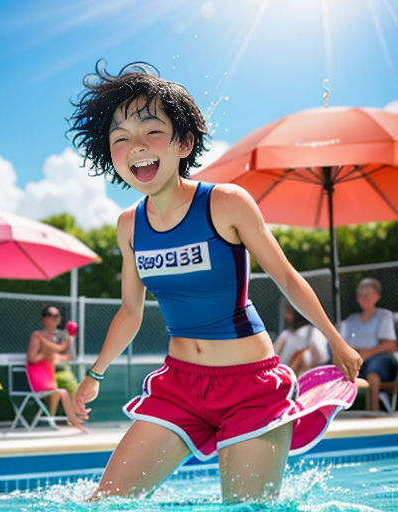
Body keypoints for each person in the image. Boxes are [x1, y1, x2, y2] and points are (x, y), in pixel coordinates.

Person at [68, 60, 363, 503]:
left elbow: (284, 276)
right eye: (121, 138)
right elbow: (131, 312)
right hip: (179, 386)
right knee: (103, 503)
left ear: (184, 141)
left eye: (152, 131)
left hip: (251, 388)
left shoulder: (224, 203)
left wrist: (335, 340)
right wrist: (94, 375)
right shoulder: (129, 226)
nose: (137, 147)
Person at [26, 305, 86, 433]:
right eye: (49, 315)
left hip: (50, 374)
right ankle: (75, 420)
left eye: (56, 316)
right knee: (63, 390)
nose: (53, 318)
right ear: (43, 318)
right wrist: (47, 353)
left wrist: (68, 340)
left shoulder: (59, 337)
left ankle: (76, 415)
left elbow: (64, 355)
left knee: (70, 385)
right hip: (40, 376)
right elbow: (32, 358)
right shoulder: (37, 336)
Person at [340, 277, 397, 411]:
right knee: (338, 369)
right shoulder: (350, 320)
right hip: (356, 360)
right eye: (360, 295)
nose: (363, 298)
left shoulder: (384, 316)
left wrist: (366, 353)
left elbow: (390, 345)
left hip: (381, 361)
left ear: (377, 296)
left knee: (374, 369)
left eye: (367, 294)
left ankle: (373, 411)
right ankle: (341, 411)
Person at [274, 298, 330, 375]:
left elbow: (322, 359)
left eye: (288, 308)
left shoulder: (313, 333)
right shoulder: (286, 334)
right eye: (286, 308)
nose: (285, 313)